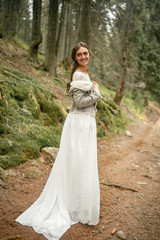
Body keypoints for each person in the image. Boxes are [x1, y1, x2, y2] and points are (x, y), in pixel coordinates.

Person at [15, 42, 102, 240]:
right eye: (79, 55)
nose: (83, 57)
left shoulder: (84, 74)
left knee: (79, 163)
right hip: (79, 123)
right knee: (77, 162)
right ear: (75, 58)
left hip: (85, 122)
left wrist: (93, 90)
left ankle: (75, 204)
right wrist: (96, 93)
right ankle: (71, 205)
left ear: (90, 54)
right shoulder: (79, 75)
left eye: (86, 53)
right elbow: (79, 103)